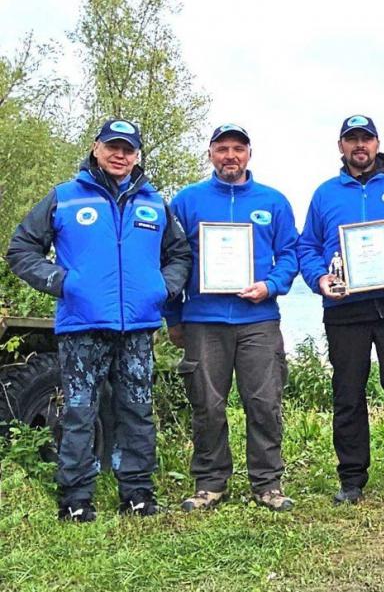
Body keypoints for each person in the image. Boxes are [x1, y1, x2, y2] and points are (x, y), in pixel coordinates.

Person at [6, 119, 191, 522]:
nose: (120, 155)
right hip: (82, 327)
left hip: (138, 329)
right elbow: (21, 249)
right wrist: (61, 281)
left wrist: (163, 288)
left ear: (138, 155)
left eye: (128, 148)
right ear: (96, 148)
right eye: (113, 146)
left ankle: (138, 494)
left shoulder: (154, 203)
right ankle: (75, 500)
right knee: (79, 413)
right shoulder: (65, 197)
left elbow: (180, 255)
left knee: (138, 411)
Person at [296, 114, 384, 506]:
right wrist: (320, 279)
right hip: (344, 310)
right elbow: (307, 247)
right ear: (341, 146)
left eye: (366, 139)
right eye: (351, 139)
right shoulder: (325, 194)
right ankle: (351, 479)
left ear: (377, 143)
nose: (360, 146)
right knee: (348, 394)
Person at [167, 124, 299, 512]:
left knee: (264, 402)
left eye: (237, 149)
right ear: (210, 154)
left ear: (249, 154)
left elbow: (290, 254)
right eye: (222, 148)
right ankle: (210, 482)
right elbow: (171, 259)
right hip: (203, 320)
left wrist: (270, 285)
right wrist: (174, 316)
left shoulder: (273, 201)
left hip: (258, 318)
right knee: (207, 404)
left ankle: (267, 483)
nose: (230, 156)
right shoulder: (187, 201)